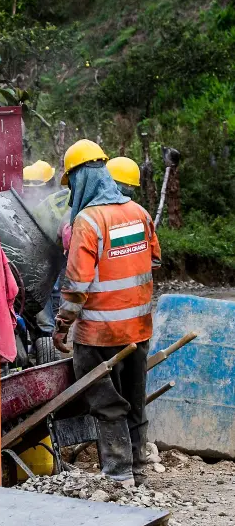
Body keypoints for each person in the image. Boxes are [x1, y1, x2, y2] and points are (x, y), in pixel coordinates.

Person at [54, 140, 161, 487]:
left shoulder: (88, 221)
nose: (71, 193)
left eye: (71, 184)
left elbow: (75, 287)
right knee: (134, 398)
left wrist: (62, 326)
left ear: (81, 178)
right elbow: (153, 259)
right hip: (139, 328)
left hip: (100, 334)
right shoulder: (139, 213)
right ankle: (139, 467)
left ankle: (117, 475)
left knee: (107, 401)